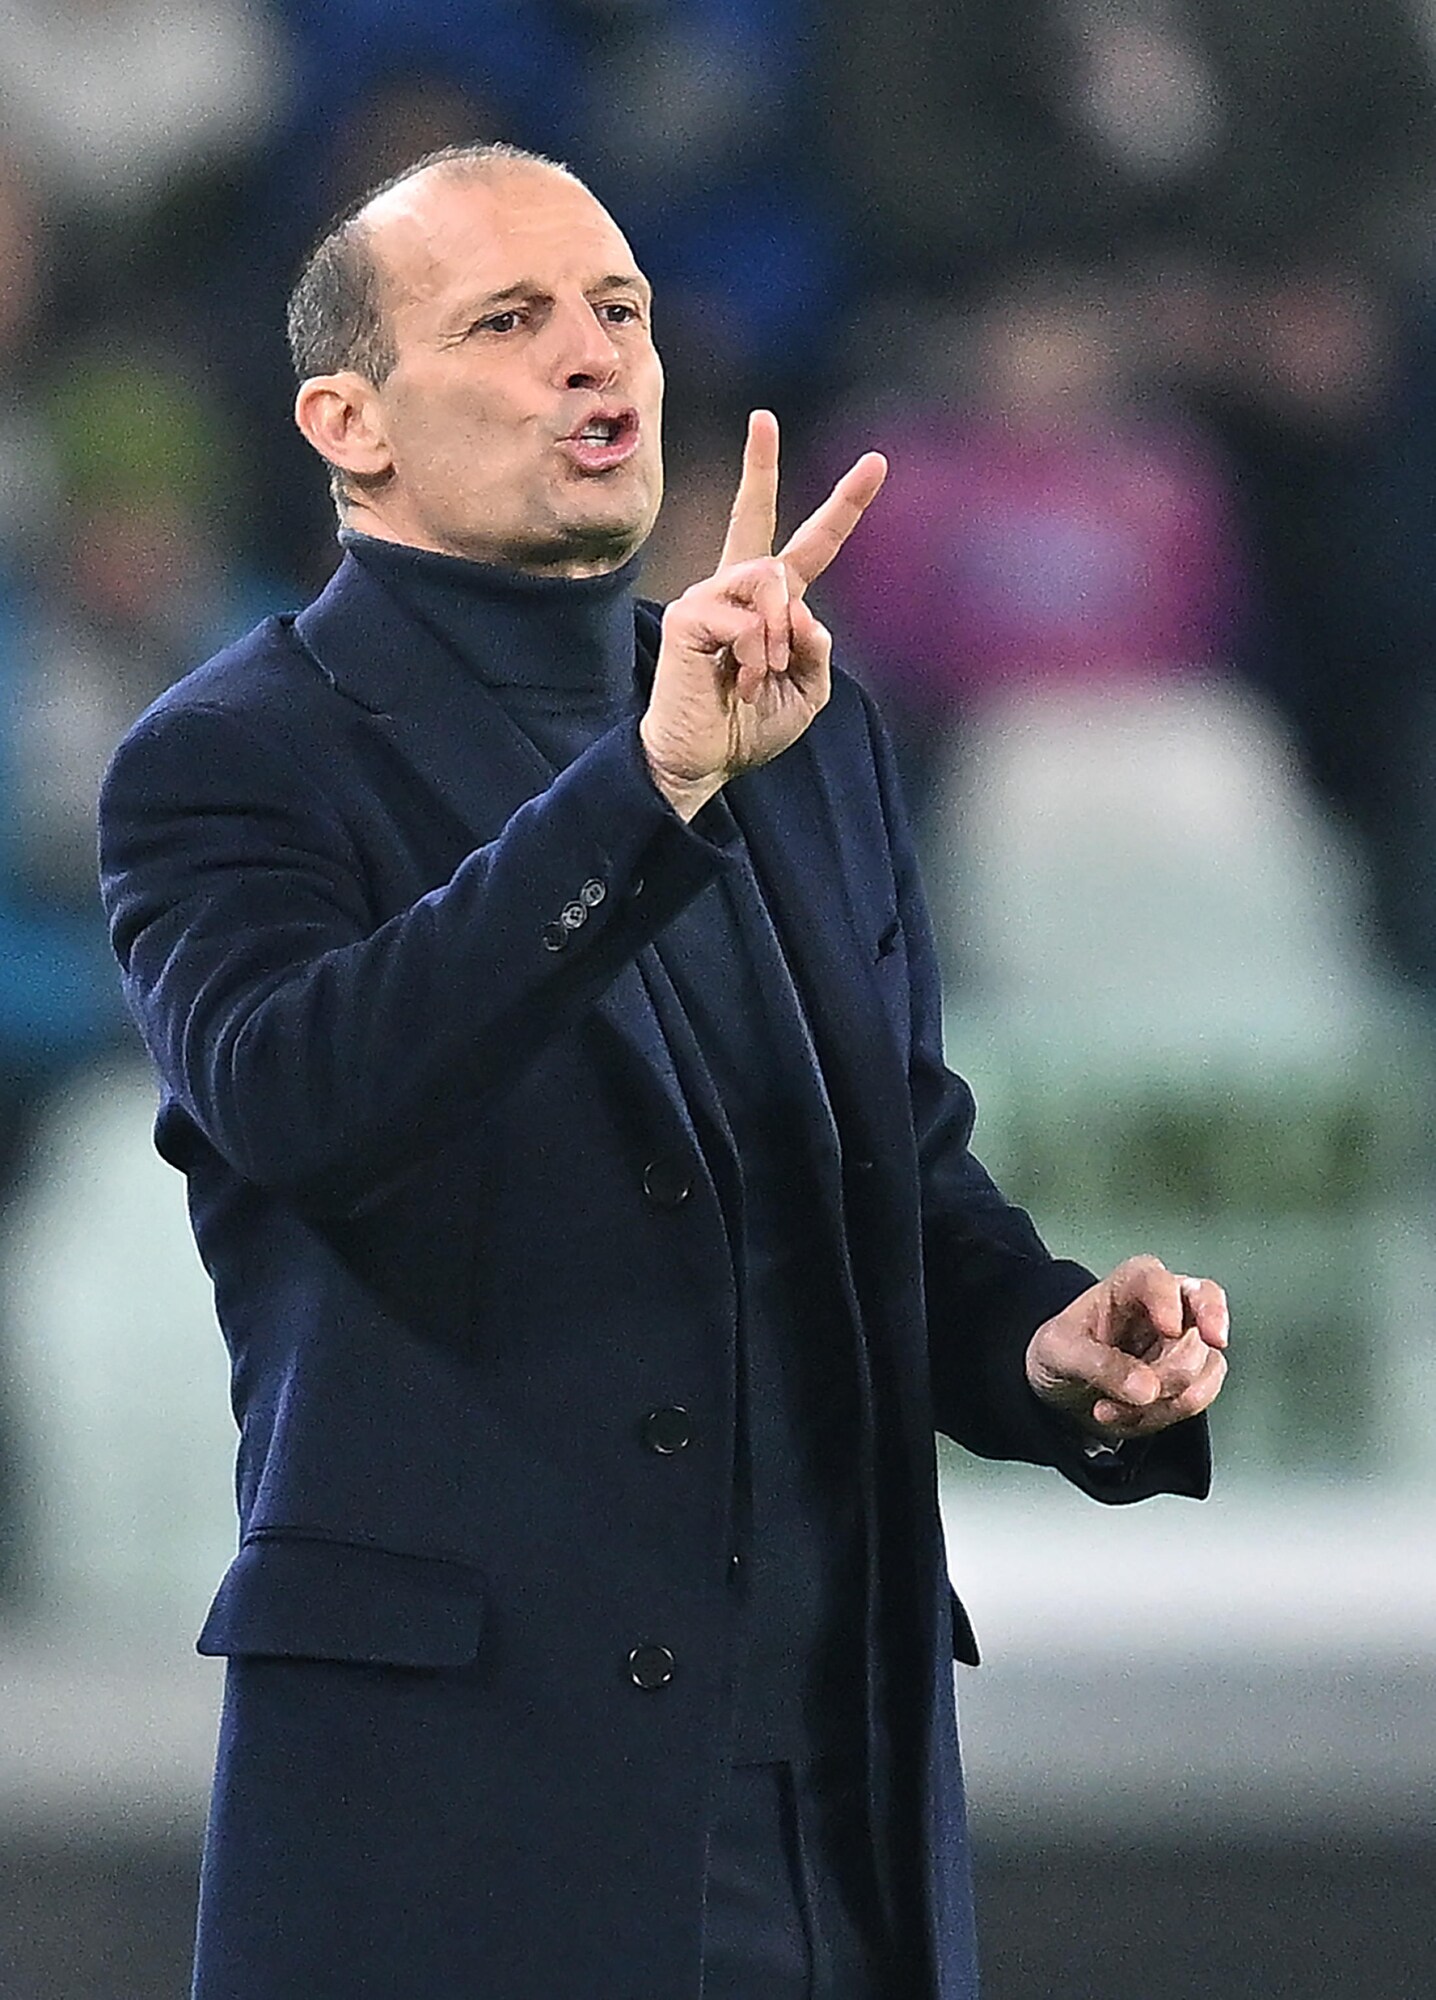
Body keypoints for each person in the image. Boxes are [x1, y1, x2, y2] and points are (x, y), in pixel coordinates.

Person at [97, 142, 1228, 2000]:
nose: (593, 355)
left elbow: (895, 1165)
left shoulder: (811, 727)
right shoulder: (235, 756)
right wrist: (650, 787)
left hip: (840, 1815)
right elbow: (309, 1101)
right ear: (347, 423)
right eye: (509, 321)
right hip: (465, 1832)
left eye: (616, 308)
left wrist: (1045, 1347)